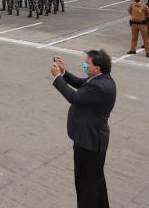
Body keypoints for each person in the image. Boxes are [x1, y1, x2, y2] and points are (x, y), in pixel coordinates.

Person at [50, 50, 116, 208]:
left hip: (89, 143)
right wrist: (64, 72)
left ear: (97, 68)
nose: (85, 65)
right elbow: (80, 83)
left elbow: (74, 97)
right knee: (96, 182)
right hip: (88, 140)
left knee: (85, 185)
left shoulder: (100, 86)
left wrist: (57, 77)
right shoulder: (99, 79)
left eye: (88, 63)